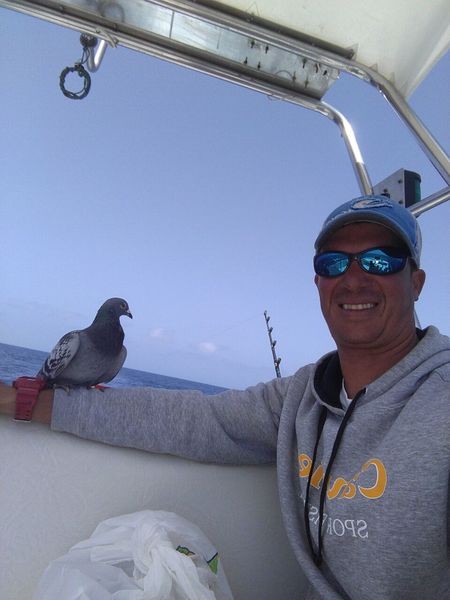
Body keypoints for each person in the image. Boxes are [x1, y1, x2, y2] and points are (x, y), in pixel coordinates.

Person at [1, 195, 449, 599]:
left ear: (416, 282)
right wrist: (27, 401)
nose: (353, 279)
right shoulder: (301, 397)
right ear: (318, 283)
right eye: (334, 263)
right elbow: (199, 419)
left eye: (379, 261)